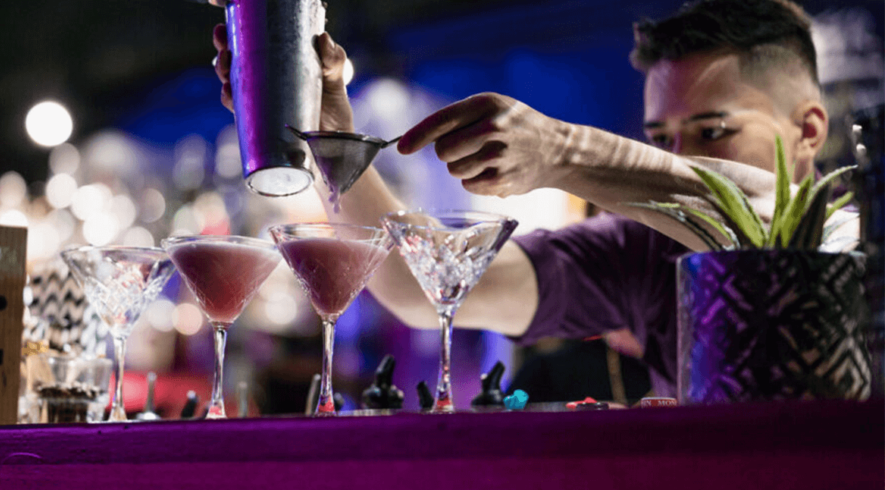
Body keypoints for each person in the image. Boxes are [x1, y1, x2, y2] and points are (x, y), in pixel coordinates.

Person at [212, 0, 853, 397]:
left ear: (809, 131)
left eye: (713, 132)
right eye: (661, 138)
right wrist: (329, 139)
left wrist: (564, 154)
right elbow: (421, 284)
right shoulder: (638, 251)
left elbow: (789, 239)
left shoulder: (860, 231)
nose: (681, 158)